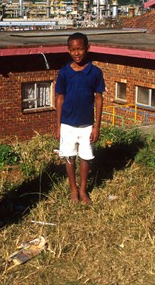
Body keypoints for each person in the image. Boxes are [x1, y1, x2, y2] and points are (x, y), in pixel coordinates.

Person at [55, 32, 105, 205]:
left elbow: (98, 98)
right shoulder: (64, 73)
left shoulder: (95, 72)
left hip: (87, 125)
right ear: (68, 50)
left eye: (80, 49)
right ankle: (73, 190)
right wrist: (58, 125)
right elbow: (60, 98)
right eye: (73, 50)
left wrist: (97, 126)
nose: (77, 53)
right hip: (67, 123)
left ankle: (83, 191)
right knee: (69, 156)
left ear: (87, 48)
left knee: (85, 157)